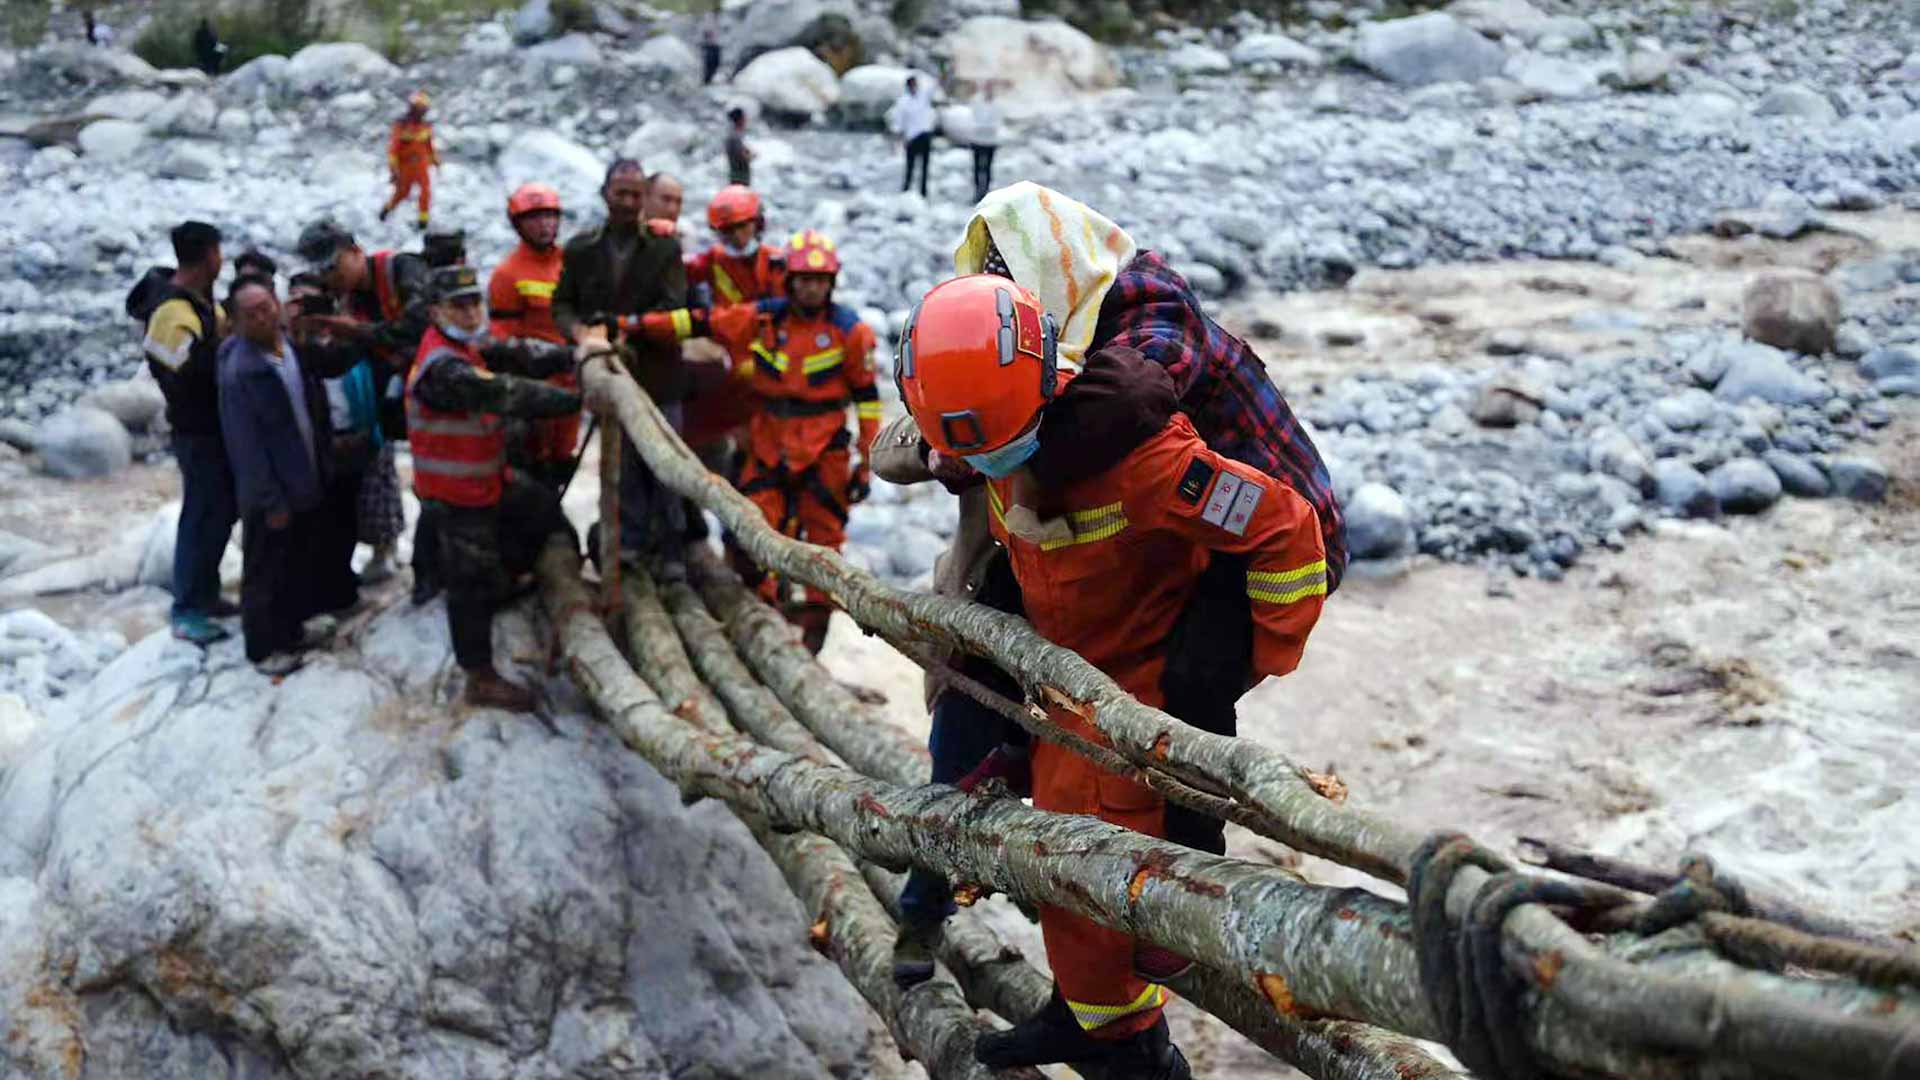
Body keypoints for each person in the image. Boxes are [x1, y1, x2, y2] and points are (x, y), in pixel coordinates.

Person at [878, 182, 1347, 981]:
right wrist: (948, 439)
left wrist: (1005, 438)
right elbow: (908, 433)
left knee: (1192, 691)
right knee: (982, 640)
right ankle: (965, 826)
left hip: (1255, 531)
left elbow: (1125, 402)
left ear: (1046, 262)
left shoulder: (1144, 308)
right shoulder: (1025, 335)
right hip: (1165, 532)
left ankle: (1185, 883)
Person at [668, 229, 877, 652]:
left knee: (824, 554)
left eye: (819, 280)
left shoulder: (850, 332)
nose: (811, 287)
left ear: (831, 283)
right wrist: (631, 326)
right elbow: (704, 322)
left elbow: (868, 400)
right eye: (803, 279)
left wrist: (866, 461)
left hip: (824, 454)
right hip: (768, 447)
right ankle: (762, 634)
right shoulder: (763, 318)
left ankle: (810, 651)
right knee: (753, 538)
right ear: (790, 281)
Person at [405, 265, 582, 711]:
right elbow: (505, 392)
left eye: (474, 303)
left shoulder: (467, 346)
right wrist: (576, 400)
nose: (469, 314)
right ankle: (479, 676)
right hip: (456, 496)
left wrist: (572, 356)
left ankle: (516, 578)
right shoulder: (443, 367)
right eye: (458, 306)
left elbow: (516, 353)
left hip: (485, 480)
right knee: (469, 584)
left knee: (541, 511)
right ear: (435, 311)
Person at [551, 159, 698, 570]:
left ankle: (672, 553)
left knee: (670, 465)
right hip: (610, 378)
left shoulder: (665, 249)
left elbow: (674, 306)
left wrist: (624, 332)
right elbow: (561, 303)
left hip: (659, 375)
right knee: (624, 464)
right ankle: (629, 548)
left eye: (636, 194)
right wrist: (581, 333)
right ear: (605, 194)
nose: (629, 203)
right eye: (622, 193)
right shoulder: (581, 249)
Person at [293, 219, 439, 600]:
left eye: (334, 267)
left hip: (446, 394)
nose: (330, 279)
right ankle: (429, 574)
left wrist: (348, 329)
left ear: (356, 252)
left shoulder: (403, 269)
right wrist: (298, 343)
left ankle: (435, 572)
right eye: (322, 272)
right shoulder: (351, 303)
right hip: (409, 404)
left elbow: (415, 326)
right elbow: (345, 359)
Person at [217, 276, 346, 675]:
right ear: (236, 322)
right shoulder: (242, 372)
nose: (262, 317)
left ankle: (291, 631)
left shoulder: (287, 346)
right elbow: (246, 447)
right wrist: (270, 500)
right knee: (264, 571)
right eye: (251, 313)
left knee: (296, 562)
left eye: (266, 307)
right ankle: (263, 648)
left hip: (303, 477)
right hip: (272, 491)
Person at [125, 221, 237, 646]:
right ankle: (187, 608)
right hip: (197, 431)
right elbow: (182, 376)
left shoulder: (198, 302)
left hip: (214, 427)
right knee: (201, 514)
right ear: (210, 255)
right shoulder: (172, 313)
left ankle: (205, 593)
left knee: (220, 511)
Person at [289, 271, 403, 587]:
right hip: (323, 441)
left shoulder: (350, 338)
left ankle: (382, 554)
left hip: (363, 429)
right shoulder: (289, 348)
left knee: (374, 498)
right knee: (331, 512)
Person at [489, 182, 577, 491]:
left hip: (573, 384)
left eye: (550, 216)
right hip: (535, 393)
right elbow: (503, 343)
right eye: (534, 218)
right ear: (518, 224)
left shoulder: (571, 263)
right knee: (533, 473)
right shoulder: (507, 275)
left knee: (563, 463)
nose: (545, 225)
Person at [380, 91, 440, 230]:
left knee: (425, 190)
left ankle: (423, 220)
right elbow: (393, 149)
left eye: (423, 109)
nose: (422, 112)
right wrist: (393, 170)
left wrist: (435, 160)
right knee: (402, 193)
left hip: (421, 163)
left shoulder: (426, 126)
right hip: (405, 165)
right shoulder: (401, 126)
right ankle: (387, 209)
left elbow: (429, 145)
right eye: (419, 108)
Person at [887, 75, 937, 198]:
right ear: (908, 87)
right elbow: (898, 121)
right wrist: (897, 136)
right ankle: (906, 190)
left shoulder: (923, 96)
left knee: (925, 166)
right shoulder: (903, 102)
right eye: (912, 85)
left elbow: (936, 85)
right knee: (910, 166)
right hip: (911, 137)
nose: (914, 88)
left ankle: (923, 192)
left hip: (925, 134)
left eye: (916, 85)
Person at [967, 82, 1000, 204]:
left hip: (990, 141)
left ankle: (986, 191)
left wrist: (983, 126)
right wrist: (983, 126)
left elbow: (996, 123)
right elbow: (974, 118)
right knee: (976, 168)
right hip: (977, 139)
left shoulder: (997, 105)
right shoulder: (977, 103)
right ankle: (977, 191)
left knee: (988, 168)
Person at [724, 107, 754, 187]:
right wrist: (751, 156)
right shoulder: (735, 136)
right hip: (739, 177)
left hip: (736, 175)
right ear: (740, 119)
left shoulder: (733, 135)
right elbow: (741, 156)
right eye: (744, 117)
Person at [699, 7, 722, 85]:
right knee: (710, 64)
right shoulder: (708, 16)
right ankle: (707, 81)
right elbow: (706, 31)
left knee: (715, 63)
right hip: (710, 45)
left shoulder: (717, 17)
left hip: (715, 44)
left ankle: (709, 80)